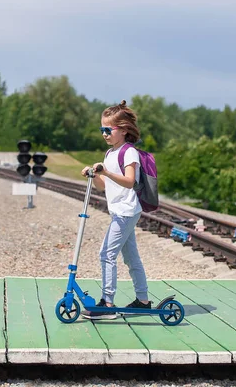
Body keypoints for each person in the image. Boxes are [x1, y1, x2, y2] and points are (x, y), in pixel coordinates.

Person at [80, 100, 150, 320]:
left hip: (126, 211)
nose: (104, 134)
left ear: (123, 130)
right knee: (131, 258)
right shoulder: (110, 154)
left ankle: (107, 303)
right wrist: (95, 175)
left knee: (106, 254)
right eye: (102, 130)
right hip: (119, 211)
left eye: (108, 130)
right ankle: (143, 301)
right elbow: (104, 186)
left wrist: (107, 173)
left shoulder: (129, 152)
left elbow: (129, 181)